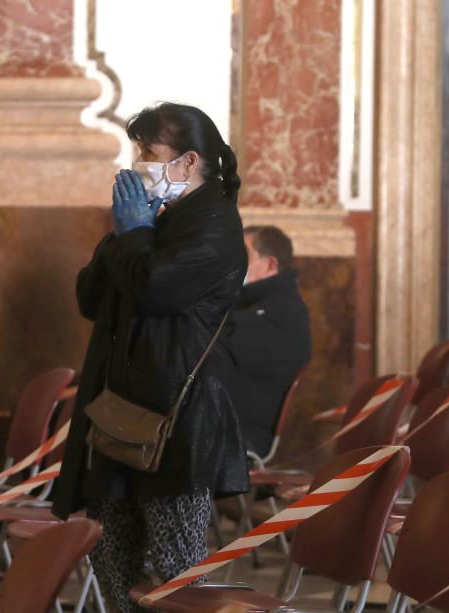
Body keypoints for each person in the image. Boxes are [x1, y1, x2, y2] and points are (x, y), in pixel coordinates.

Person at [53, 102, 248, 613]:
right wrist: (124, 233)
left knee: (174, 575)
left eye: (148, 152)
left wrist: (137, 234)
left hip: (176, 425)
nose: (137, 162)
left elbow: (155, 290)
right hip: (122, 413)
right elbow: (91, 299)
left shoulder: (215, 227)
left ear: (186, 163)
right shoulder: (160, 220)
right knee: (113, 558)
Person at [223, 225, 311, 458]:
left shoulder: (283, 314)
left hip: (238, 435)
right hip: (219, 425)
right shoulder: (251, 304)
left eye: (243, 256)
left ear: (270, 265)